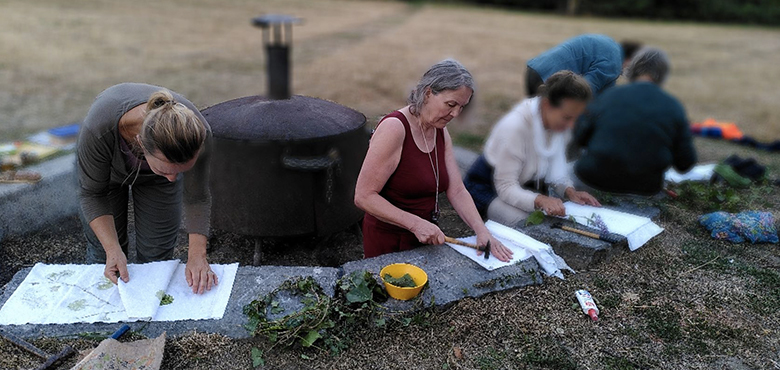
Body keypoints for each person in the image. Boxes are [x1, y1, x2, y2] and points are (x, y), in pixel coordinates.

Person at [354, 59, 513, 262]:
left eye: (461, 107)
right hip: (390, 242)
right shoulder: (395, 128)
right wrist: (415, 224)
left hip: (425, 239)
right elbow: (363, 196)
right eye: (451, 104)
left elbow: (456, 189)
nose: (455, 113)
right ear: (428, 93)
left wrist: (481, 231)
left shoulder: (440, 130)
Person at [77, 83, 216, 294]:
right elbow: (93, 194)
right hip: (107, 179)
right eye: (167, 169)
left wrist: (198, 255)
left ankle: (147, 313)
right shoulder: (98, 129)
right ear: (140, 144)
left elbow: (197, 197)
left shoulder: (199, 134)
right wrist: (112, 249)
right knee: (104, 254)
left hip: (154, 180)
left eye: (180, 171)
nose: (173, 180)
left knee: (156, 257)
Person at [464, 71, 600, 227]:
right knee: (529, 224)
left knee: (550, 220)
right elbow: (505, 186)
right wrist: (539, 200)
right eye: (567, 117)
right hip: (487, 187)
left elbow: (556, 169)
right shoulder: (515, 126)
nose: (571, 125)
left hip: (523, 185)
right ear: (546, 104)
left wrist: (570, 192)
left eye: (576, 118)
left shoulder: (557, 123)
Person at [573, 47, 696, 195]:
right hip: (643, 188)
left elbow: (580, 136)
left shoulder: (608, 96)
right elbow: (685, 163)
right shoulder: (673, 106)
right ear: (663, 75)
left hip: (592, 178)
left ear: (633, 69)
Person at [525, 34, 642, 97]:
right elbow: (584, 91)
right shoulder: (614, 63)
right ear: (631, 58)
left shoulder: (611, 47)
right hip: (547, 82)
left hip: (535, 70)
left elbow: (606, 91)